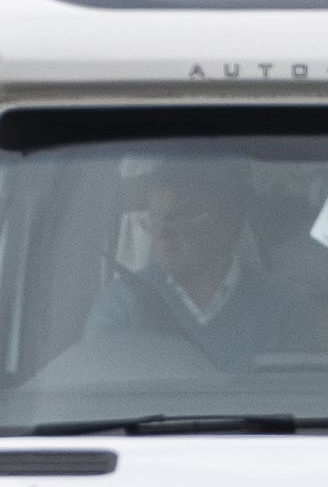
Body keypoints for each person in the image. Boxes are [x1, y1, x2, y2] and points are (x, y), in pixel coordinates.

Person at [85, 157, 309, 369]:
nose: (162, 232)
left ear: (228, 220)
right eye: (154, 217)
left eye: (180, 215)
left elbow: (301, 402)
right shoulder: (120, 306)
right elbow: (97, 400)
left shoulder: (284, 308)